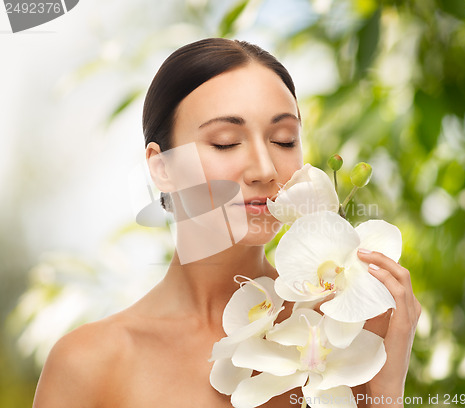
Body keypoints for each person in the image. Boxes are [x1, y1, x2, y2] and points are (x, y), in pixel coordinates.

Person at [33, 38, 420, 408]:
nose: (265, 170)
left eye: (284, 140)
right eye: (225, 142)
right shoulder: (89, 363)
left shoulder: (346, 332)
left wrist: (384, 393)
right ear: (161, 167)